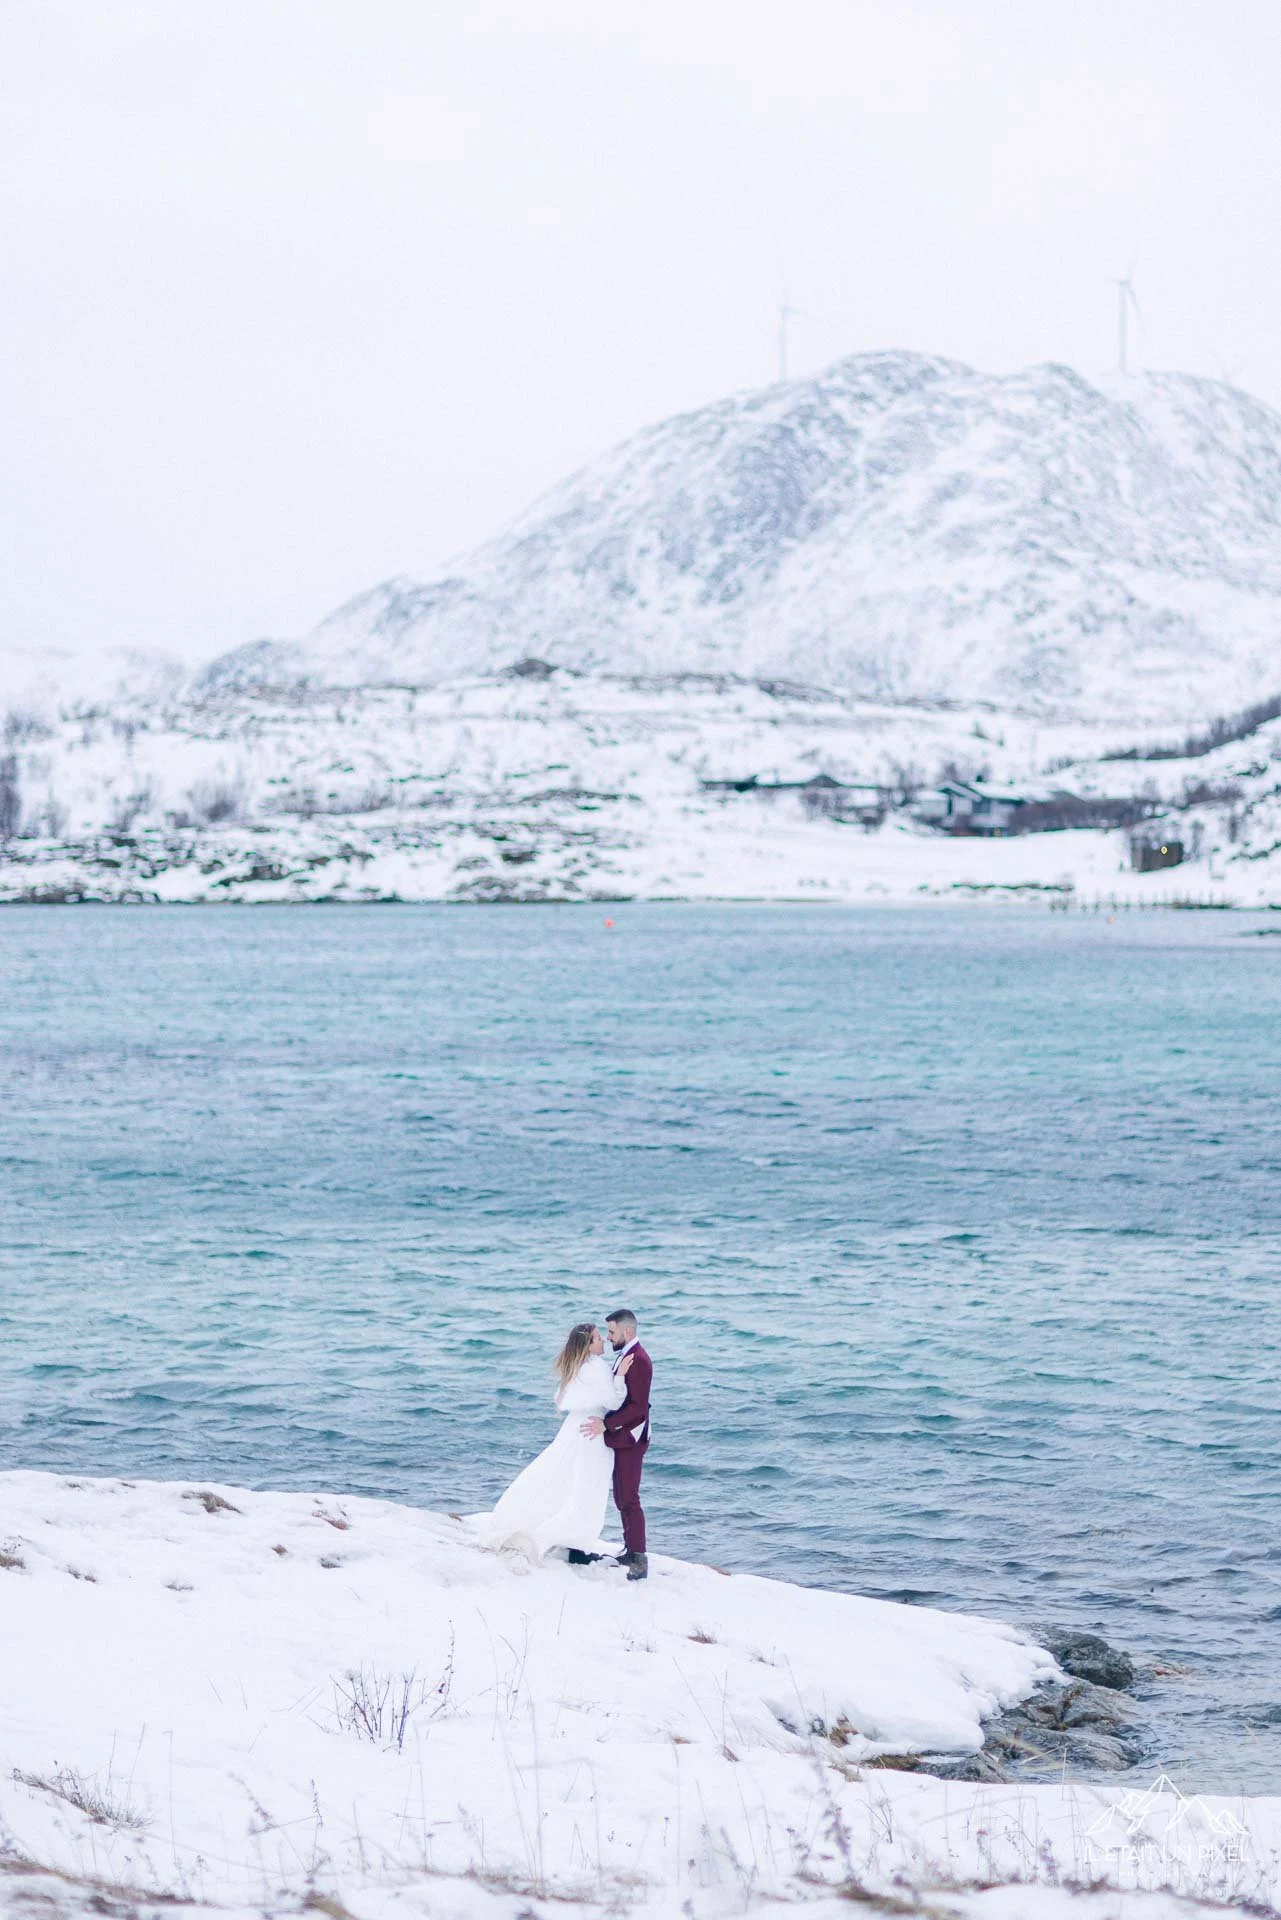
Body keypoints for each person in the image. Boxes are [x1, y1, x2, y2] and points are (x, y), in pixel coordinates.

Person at [474, 1323, 634, 1561]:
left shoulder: (579, 1366)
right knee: (586, 1488)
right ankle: (574, 1545)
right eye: (598, 1338)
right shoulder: (596, 1368)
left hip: (574, 1427)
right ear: (588, 1346)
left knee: (562, 1479)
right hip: (592, 1431)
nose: (603, 1342)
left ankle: (566, 1541)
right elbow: (613, 1402)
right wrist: (620, 1376)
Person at [579, 1309, 651, 1582]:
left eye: (611, 1332)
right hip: (622, 1437)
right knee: (622, 1496)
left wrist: (605, 1425)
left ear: (627, 1332)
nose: (608, 1337)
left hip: (632, 1438)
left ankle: (639, 1557)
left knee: (629, 1497)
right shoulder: (625, 1356)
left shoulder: (640, 1360)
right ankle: (630, 1549)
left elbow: (638, 1409)